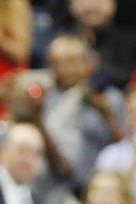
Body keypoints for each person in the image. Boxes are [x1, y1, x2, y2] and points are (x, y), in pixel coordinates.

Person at [43, 34, 125, 192]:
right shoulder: (45, 97)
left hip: (94, 187)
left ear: (89, 62)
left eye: (70, 61)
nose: (64, 69)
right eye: (55, 63)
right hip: (52, 184)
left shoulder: (109, 98)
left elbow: (124, 148)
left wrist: (107, 115)